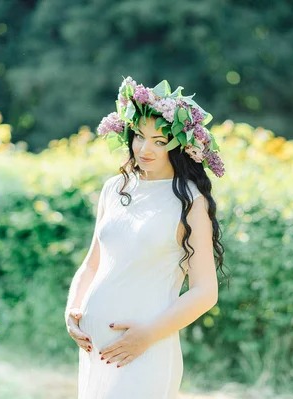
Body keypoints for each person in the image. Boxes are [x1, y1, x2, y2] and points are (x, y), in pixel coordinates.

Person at [64, 77, 227, 399]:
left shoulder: (190, 201)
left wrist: (148, 334)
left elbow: (206, 292)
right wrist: (72, 310)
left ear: (179, 144)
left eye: (159, 140)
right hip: (95, 348)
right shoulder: (115, 188)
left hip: (143, 350)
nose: (144, 148)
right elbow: (93, 264)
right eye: (139, 136)